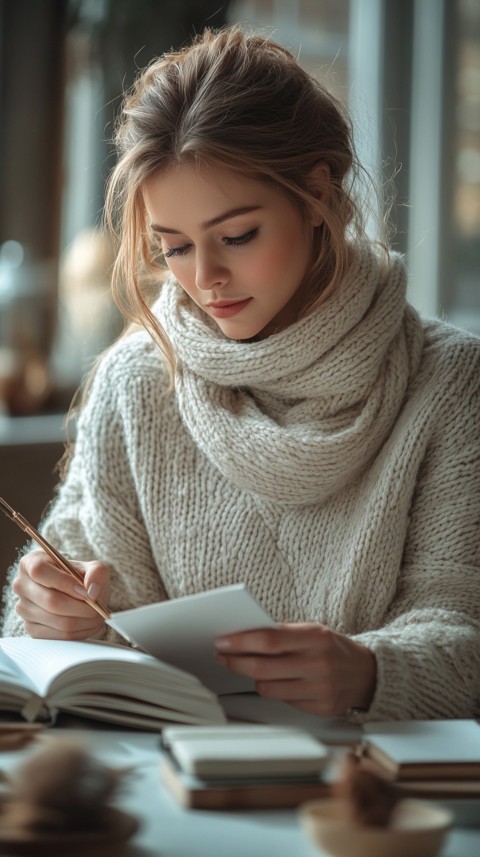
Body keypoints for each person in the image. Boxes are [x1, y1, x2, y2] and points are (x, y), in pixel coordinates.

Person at [2, 27, 479, 722]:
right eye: (174, 248)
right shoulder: (137, 380)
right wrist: (51, 615)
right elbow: (48, 646)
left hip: (370, 799)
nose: (206, 278)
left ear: (318, 194)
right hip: (163, 789)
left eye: (238, 235)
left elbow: (463, 631)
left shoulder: (450, 382)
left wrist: (370, 670)